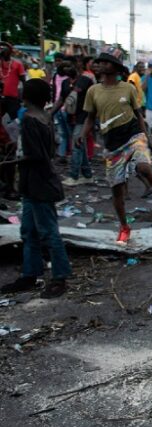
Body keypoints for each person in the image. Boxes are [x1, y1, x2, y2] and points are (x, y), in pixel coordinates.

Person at [78, 53, 152, 245]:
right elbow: (90, 118)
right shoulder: (93, 91)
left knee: (143, 168)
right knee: (117, 190)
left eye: (106, 62)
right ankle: (124, 227)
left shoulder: (128, 88)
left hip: (133, 136)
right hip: (112, 144)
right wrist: (82, 135)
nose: (101, 65)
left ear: (116, 68)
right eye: (99, 63)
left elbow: (138, 114)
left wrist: (146, 137)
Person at [1, 78, 70, 298]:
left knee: (47, 232)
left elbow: (35, 155)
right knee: (29, 231)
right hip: (36, 183)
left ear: (26, 96)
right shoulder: (45, 117)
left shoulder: (30, 120)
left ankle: (60, 277)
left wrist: (9, 162)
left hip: (37, 183)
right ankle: (30, 274)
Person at [61, 61, 95, 186]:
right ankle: (87, 175)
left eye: (69, 66)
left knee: (76, 146)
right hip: (70, 118)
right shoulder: (65, 83)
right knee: (80, 146)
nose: (67, 69)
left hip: (83, 118)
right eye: (65, 67)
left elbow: (94, 99)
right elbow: (61, 100)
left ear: (77, 66)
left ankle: (73, 176)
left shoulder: (86, 81)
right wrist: (51, 114)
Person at [0, 42, 25, 120]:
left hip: (12, 98)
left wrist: (24, 98)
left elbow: (23, 81)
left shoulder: (17, 64)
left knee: (13, 120)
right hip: (0, 97)